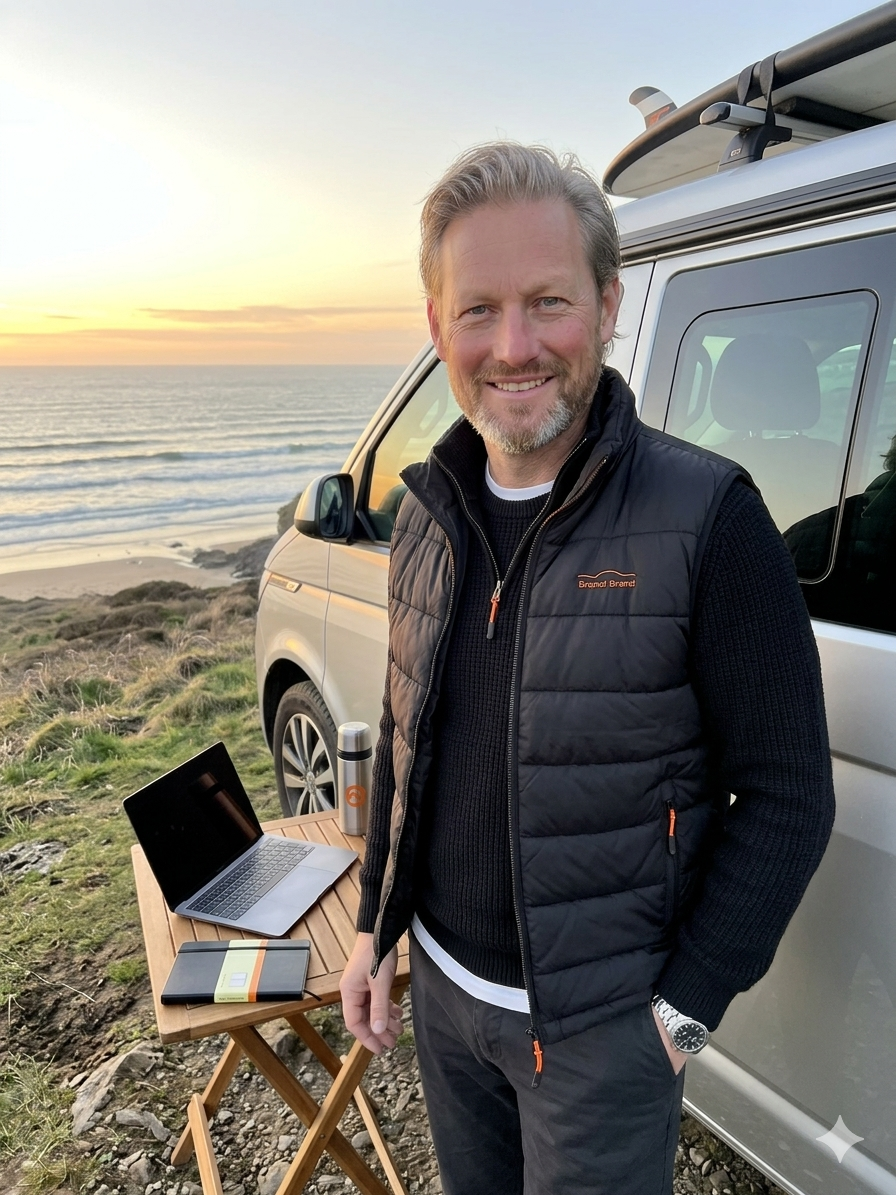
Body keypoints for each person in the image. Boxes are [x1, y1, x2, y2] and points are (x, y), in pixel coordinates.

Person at [339, 142, 835, 1195]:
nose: (513, 346)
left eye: (548, 302)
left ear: (607, 305)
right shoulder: (426, 514)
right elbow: (403, 739)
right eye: (478, 310)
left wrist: (680, 1013)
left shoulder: (708, 517)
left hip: (601, 1037)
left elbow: (789, 794)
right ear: (437, 326)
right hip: (445, 999)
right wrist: (376, 929)